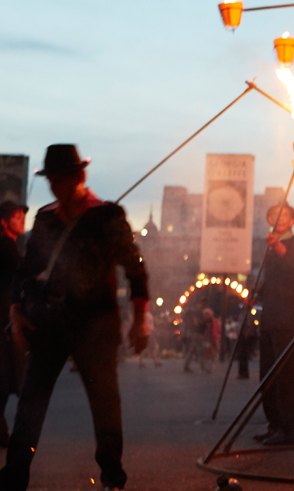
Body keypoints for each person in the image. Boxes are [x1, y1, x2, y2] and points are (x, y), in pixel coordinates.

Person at [0, 144, 149, 491]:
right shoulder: (46, 217)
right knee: (31, 401)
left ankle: (112, 475)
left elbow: (135, 270)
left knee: (104, 402)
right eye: (51, 181)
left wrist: (141, 318)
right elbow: (26, 271)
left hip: (96, 323)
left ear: (79, 177)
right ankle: (15, 474)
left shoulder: (108, 216)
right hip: (50, 321)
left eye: (61, 180)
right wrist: (16, 312)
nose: (55, 188)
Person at [254, 203, 294, 446]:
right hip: (269, 316)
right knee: (267, 375)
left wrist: (277, 245)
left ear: (292, 221)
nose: (279, 218)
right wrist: (256, 293)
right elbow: (270, 279)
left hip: (286, 317)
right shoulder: (272, 248)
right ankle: (273, 424)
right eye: (275, 215)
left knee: (285, 375)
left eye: (284, 215)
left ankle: (288, 429)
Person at [0, 201, 27, 447]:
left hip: (6, 318)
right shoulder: (5, 246)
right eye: (17, 217)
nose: (22, 220)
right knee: (5, 377)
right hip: (4, 319)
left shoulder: (9, 245)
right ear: (4, 222)